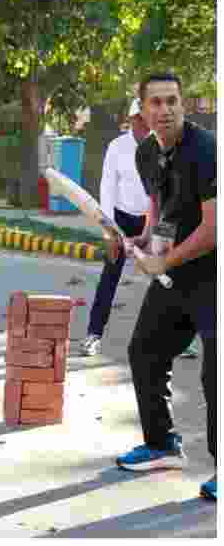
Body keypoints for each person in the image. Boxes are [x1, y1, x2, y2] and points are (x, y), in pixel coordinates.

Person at [114, 73, 216, 502]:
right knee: (145, 350)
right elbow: (162, 206)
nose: (166, 109)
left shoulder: (206, 150)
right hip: (178, 271)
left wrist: (162, 260)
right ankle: (161, 445)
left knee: (217, 374)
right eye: (155, 102)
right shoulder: (146, 154)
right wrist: (146, 237)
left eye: (172, 100)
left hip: (214, 273)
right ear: (143, 110)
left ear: (183, 104)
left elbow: (213, 229)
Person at [78, 99, 152, 357]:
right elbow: (107, 190)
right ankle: (93, 334)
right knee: (110, 276)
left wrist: (155, 230)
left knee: (168, 277)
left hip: (151, 218)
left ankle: (180, 339)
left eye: (147, 119)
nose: (143, 125)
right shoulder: (117, 148)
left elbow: (167, 191)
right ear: (131, 120)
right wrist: (109, 231)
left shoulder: (163, 146)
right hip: (120, 219)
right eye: (138, 119)